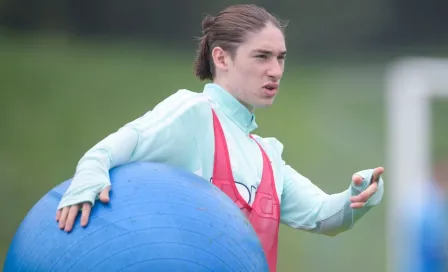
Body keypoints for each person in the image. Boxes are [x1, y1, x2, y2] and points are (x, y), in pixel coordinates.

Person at [55, 4, 385, 271]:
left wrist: (359, 195)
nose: (276, 70)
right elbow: (108, 151)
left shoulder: (267, 156)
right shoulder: (192, 113)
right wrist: (87, 179)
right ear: (221, 57)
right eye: (262, 56)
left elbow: (324, 216)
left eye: (281, 57)